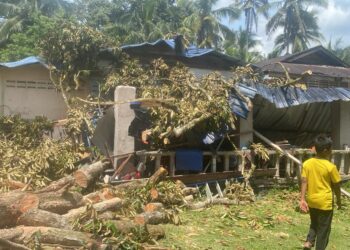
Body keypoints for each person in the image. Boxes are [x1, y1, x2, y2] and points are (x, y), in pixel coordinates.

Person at [300, 134, 342, 250]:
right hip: (325, 203)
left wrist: (302, 199)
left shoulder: (307, 163)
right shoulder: (330, 167)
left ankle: (309, 242)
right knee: (324, 230)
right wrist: (339, 200)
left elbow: (304, 181)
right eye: (330, 149)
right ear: (325, 150)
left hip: (312, 200)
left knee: (314, 223)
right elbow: (337, 186)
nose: (331, 151)